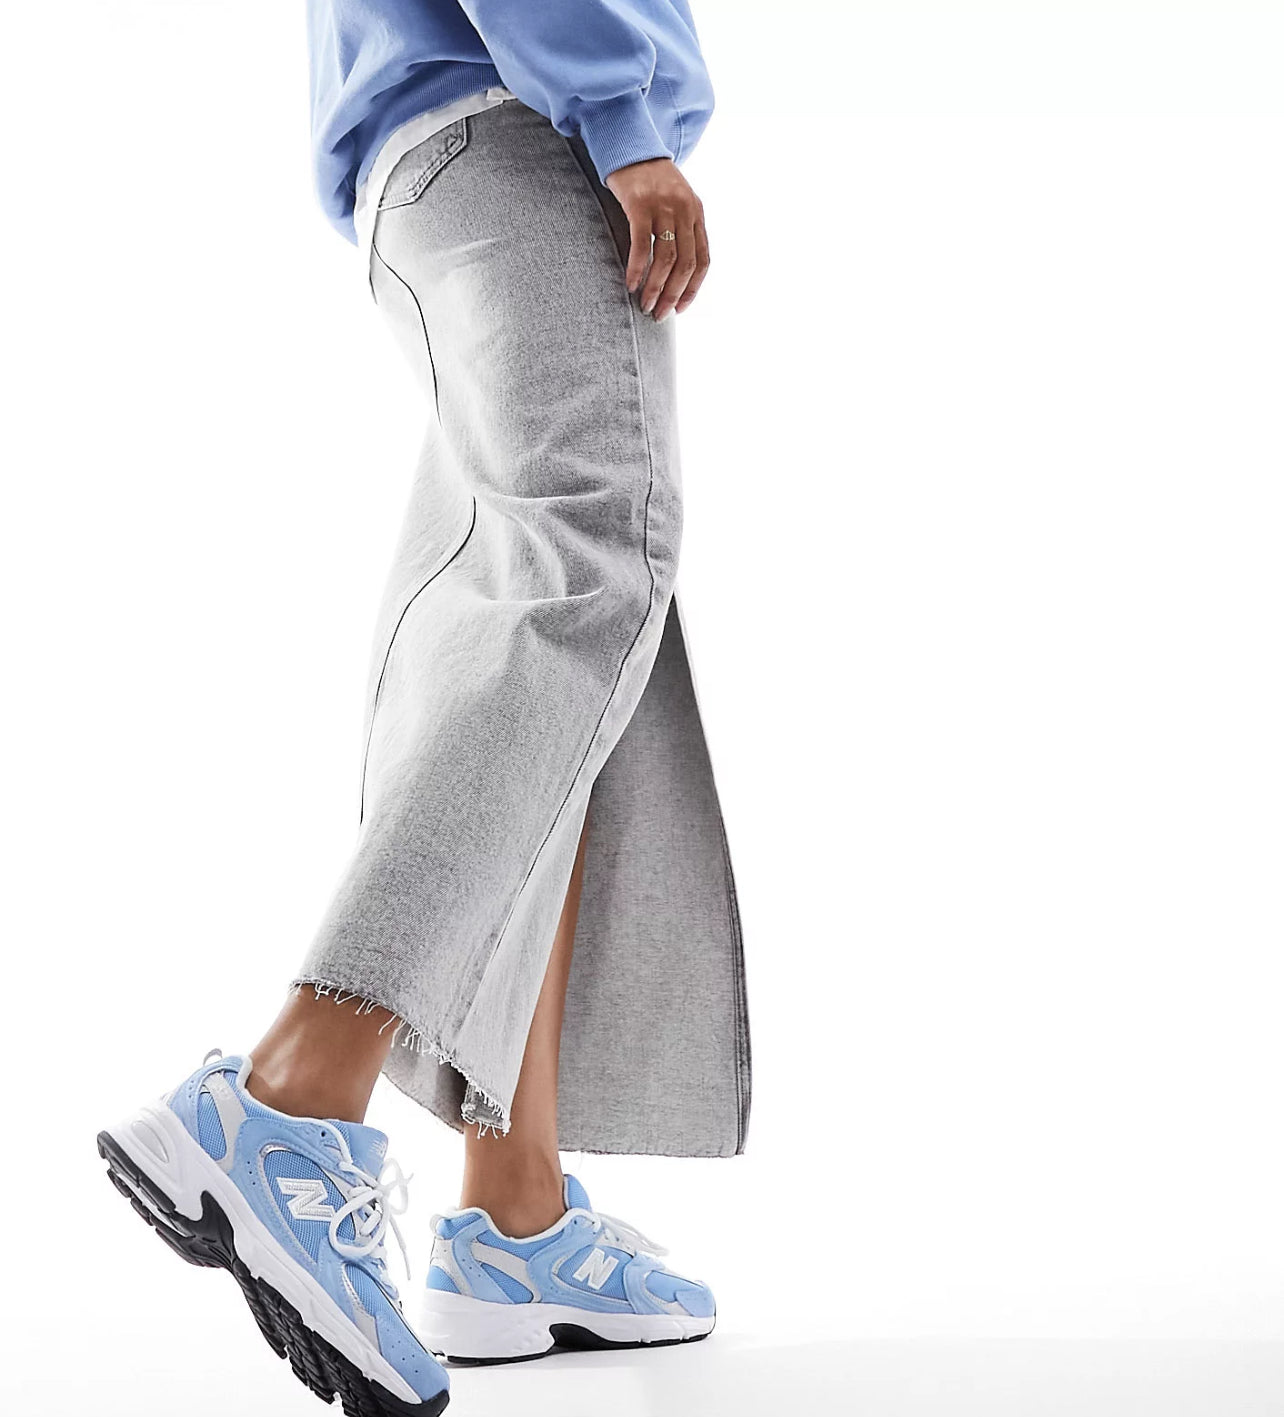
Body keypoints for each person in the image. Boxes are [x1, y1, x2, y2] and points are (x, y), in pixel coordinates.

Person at [98, 2, 750, 1412]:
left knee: (575, 657)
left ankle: (517, 1213)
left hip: (437, 154)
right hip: (522, 128)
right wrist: (620, 115)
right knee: (582, 582)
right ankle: (291, 1093)